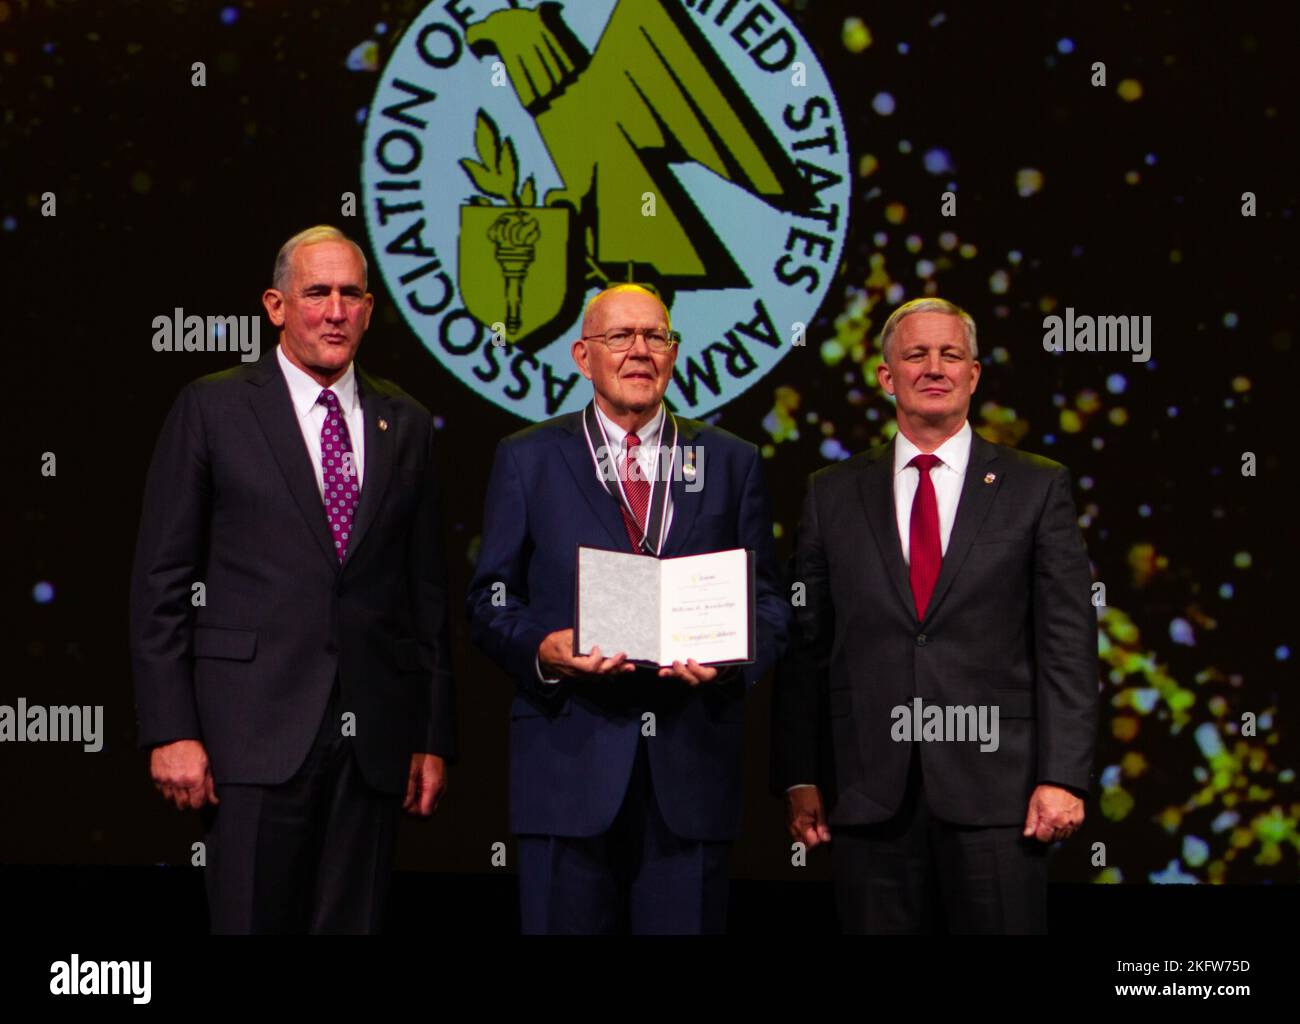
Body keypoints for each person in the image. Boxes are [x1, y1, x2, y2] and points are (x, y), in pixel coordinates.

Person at [129, 225, 455, 933]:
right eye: (317, 293)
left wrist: (431, 736)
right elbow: (161, 582)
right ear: (276, 306)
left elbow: (425, 596)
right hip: (248, 735)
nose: (335, 311)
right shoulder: (212, 407)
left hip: (372, 744)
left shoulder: (405, 421)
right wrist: (170, 728)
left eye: (351, 295)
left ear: (370, 309)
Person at [467, 283, 789, 934]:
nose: (640, 350)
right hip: (566, 765)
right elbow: (489, 598)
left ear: (674, 353)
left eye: (656, 336)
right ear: (583, 356)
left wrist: (730, 662)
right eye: (621, 337)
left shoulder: (731, 463)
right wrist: (543, 651)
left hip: (691, 768)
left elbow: (771, 604)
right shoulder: (527, 458)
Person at [772, 297, 1097, 934]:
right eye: (915, 354)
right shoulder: (831, 492)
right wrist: (800, 774)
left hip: (1000, 797)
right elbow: (807, 643)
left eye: (951, 354)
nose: (934, 367)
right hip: (868, 796)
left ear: (974, 375)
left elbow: (1067, 644)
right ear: (886, 376)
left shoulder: (1038, 487)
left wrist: (1064, 776)